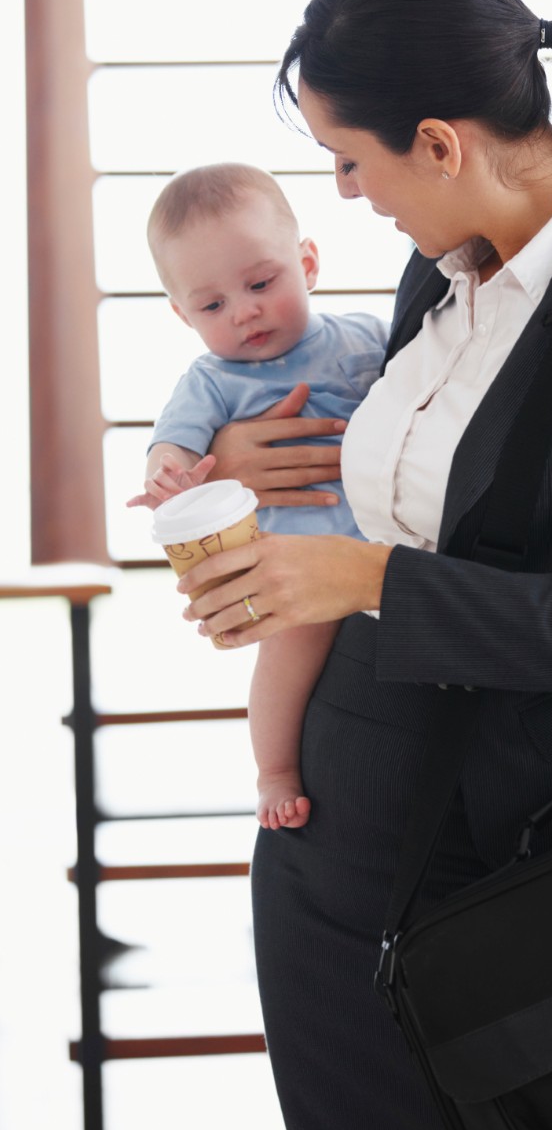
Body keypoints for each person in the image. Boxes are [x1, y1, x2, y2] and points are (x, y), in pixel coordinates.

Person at [176, 0, 552, 1130]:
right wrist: (234, 451)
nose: (342, 191)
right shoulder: (435, 277)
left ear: (438, 143)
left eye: (352, 157)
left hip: (508, 879)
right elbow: (404, 482)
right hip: (335, 856)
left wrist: (366, 579)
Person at [127, 162, 388, 830]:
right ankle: (274, 769)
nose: (243, 312)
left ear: (307, 262)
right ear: (182, 315)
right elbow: (174, 443)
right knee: (290, 651)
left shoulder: (366, 337)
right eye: (212, 305)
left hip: (394, 548)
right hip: (293, 561)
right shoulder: (211, 383)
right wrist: (170, 476)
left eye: (261, 283)